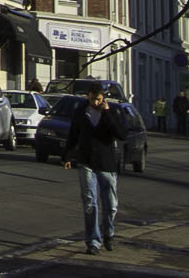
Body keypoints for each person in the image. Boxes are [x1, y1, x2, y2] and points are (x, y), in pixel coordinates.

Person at [64, 82, 128, 255]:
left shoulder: (111, 112)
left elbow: (121, 134)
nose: (95, 103)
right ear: (88, 97)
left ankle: (109, 234)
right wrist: (68, 155)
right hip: (86, 161)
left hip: (107, 164)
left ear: (103, 98)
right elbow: (73, 134)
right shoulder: (81, 112)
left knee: (111, 205)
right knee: (90, 202)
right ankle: (93, 241)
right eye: (92, 99)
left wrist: (106, 113)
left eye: (98, 99)